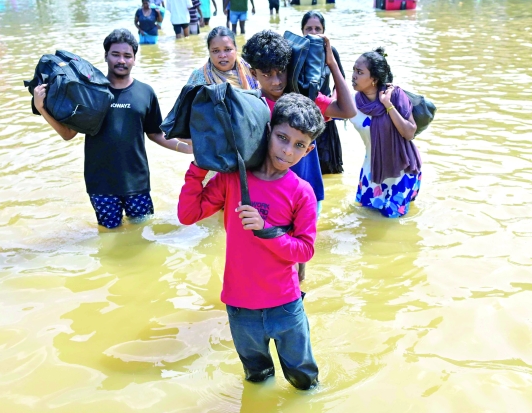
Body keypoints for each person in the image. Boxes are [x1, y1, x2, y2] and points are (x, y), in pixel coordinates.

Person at [177, 94, 324, 390]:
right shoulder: (233, 179)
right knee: (257, 379)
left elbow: (305, 250)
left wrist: (266, 228)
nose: (287, 151)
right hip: (240, 307)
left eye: (298, 145)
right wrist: (199, 165)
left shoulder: (301, 192)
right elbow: (188, 215)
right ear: (268, 131)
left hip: (285, 306)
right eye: (282, 138)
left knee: (305, 382)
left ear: (308, 150)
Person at [32, 29, 193, 229]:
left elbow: (155, 133)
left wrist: (185, 147)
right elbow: (68, 134)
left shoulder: (145, 92)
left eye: (127, 56)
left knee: (143, 234)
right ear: (106, 56)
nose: (121, 60)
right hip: (101, 185)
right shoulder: (89, 91)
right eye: (115, 54)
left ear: (135, 59)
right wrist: (41, 108)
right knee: (109, 235)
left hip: (137, 183)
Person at [242, 30, 356, 280]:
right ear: (253, 74)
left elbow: (347, 110)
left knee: (301, 258)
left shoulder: (303, 101)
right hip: (271, 195)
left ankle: (300, 292)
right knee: (272, 258)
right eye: (266, 74)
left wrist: (332, 63)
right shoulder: (252, 107)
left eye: (280, 71)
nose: (276, 81)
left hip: (307, 190)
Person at [349, 48, 422, 218]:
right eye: (353, 70)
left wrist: (387, 105)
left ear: (373, 79)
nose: (354, 75)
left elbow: (409, 132)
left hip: (401, 171)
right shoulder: (353, 103)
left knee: (392, 224)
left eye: (359, 72)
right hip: (372, 171)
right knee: (365, 220)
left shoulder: (395, 95)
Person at [301, 11, 344, 174]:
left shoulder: (330, 51)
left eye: (317, 29)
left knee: (327, 169)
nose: (313, 33)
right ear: (302, 31)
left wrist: (333, 103)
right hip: (303, 118)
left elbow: (340, 82)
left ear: (324, 31)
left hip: (326, 116)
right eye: (309, 29)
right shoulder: (297, 52)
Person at [187, 26, 259, 89]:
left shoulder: (250, 70)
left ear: (236, 49)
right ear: (209, 52)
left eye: (227, 50)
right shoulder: (199, 78)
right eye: (216, 51)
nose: (222, 55)